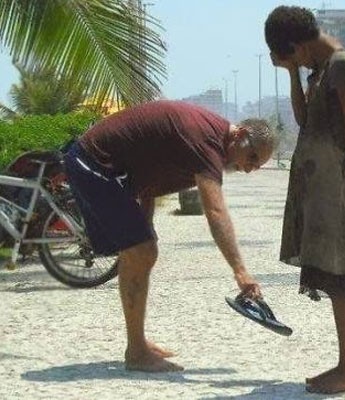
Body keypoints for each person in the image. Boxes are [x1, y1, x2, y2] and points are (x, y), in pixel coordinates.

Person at [63, 100, 276, 372]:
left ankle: (137, 344)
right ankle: (137, 351)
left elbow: (149, 172)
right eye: (253, 157)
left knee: (142, 249)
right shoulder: (208, 142)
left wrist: (146, 221)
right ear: (241, 135)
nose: (249, 168)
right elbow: (215, 210)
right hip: (92, 161)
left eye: (256, 166)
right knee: (141, 251)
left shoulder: (211, 139)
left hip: (109, 168)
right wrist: (241, 272)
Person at [265, 5, 345, 394]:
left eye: (291, 56)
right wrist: (293, 72)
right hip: (319, 183)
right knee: (332, 270)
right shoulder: (320, 69)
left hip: (333, 183)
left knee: (341, 273)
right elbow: (305, 121)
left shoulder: (340, 64)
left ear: (296, 44)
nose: (295, 62)